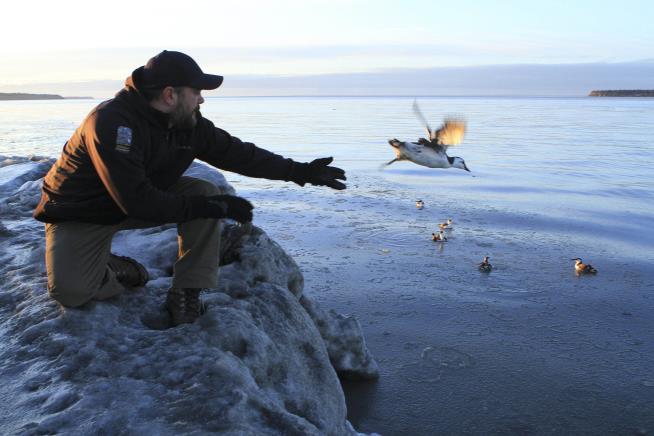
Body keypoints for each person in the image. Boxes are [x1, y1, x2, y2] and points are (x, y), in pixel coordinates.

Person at [33, 50, 346, 326]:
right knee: (72, 293)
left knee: (204, 192)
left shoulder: (188, 123)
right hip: (82, 211)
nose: (202, 99)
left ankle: (186, 291)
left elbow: (238, 153)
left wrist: (299, 171)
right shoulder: (112, 123)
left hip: (140, 195)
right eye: (197, 91)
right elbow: (137, 202)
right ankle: (113, 267)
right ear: (170, 94)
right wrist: (211, 209)